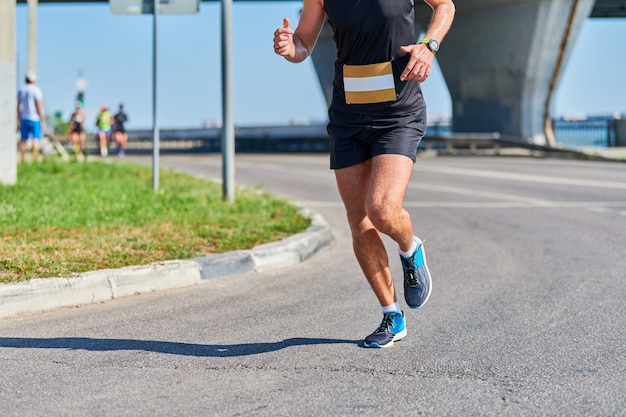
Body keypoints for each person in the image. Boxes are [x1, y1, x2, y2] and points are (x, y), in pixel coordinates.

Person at [273, 0, 455, 348]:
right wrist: (288, 48)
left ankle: (409, 248)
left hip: (398, 111)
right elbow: (303, 44)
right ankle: (391, 315)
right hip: (348, 113)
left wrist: (429, 46)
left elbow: (445, 6)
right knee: (360, 221)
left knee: (382, 209)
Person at [16, 71, 46, 163]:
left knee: (23, 140)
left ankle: (22, 159)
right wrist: (42, 120)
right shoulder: (36, 90)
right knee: (35, 139)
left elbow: (18, 106)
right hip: (35, 118)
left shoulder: (21, 90)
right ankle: (34, 160)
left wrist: (19, 118)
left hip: (24, 118)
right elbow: (39, 106)